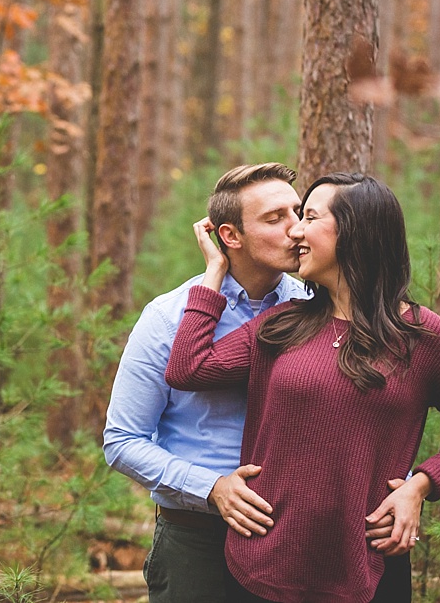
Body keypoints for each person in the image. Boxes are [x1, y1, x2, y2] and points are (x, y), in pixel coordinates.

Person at [167, 172, 440, 603]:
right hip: (263, 564)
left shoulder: (421, 336)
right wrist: (214, 271)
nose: (296, 230)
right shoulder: (281, 324)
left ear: (356, 232)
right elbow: (188, 369)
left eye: (309, 217)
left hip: (369, 561)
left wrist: (419, 486)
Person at [102, 163, 316, 602]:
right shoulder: (167, 318)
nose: (297, 230)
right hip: (196, 544)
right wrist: (211, 487)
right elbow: (122, 440)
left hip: (298, 540)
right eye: (275, 219)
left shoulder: (317, 308)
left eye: (298, 212)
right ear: (230, 236)